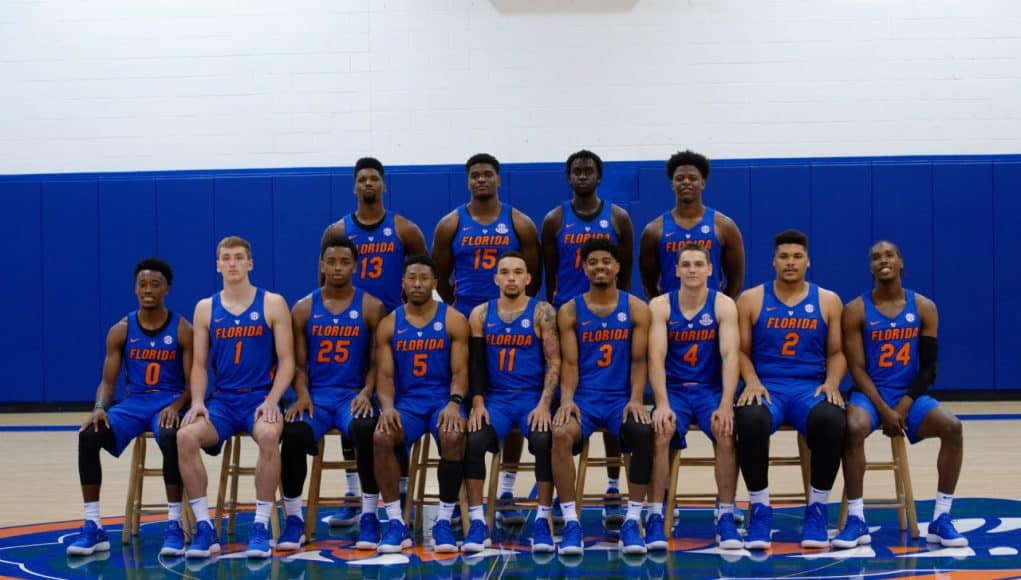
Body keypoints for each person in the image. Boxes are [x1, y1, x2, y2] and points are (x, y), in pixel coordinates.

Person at [834, 241, 966, 549]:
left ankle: (941, 519)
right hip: (870, 394)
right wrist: (884, 409)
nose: (883, 260)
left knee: (953, 427)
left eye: (889, 255)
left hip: (908, 395)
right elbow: (856, 369)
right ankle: (856, 519)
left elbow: (930, 368)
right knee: (852, 427)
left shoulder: (924, 307)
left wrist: (904, 405)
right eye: (876, 257)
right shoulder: (855, 310)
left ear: (901, 262)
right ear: (870, 266)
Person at [176, 236, 296, 559]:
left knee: (270, 437)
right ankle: (204, 528)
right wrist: (198, 401)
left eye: (238, 257)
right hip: (223, 402)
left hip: (259, 399)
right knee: (185, 437)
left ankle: (259, 526)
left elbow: (287, 362)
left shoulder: (272, 303)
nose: (232, 263)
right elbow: (199, 365)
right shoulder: (205, 308)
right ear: (217, 265)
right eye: (226, 258)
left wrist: (272, 400)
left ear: (250, 263)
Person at [321, 157, 428, 511]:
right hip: (352, 325)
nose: (368, 184)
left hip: (395, 328)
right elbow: (322, 285)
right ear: (354, 186)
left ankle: (400, 482)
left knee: (394, 404)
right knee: (352, 400)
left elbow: (422, 274)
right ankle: (354, 488)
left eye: (374, 179)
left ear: (384, 185)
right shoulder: (337, 231)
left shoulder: (405, 229)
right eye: (362, 179)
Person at [67, 259, 193, 557]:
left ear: (167, 289)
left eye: (155, 284)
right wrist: (100, 407)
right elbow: (107, 382)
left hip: (168, 402)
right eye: (142, 284)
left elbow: (193, 383)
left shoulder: (182, 328)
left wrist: (177, 406)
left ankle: (174, 524)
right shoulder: (121, 330)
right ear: (135, 288)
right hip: (135, 403)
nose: (148, 290)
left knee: (169, 435)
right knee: (88, 436)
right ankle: (93, 526)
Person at [734, 229, 847, 549]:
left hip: (808, 389)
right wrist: (752, 381)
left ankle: (817, 509)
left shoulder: (828, 300)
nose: (790, 262)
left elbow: (837, 353)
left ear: (808, 261)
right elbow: (740, 351)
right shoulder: (751, 299)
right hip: (767, 387)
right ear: (773, 261)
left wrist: (832, 383)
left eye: (797, 256)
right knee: (750, 420)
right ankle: (760, 508)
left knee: (831, 420)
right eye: (784, 256)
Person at [277, 236, 388, 551]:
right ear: (322, 265)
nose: (337, 268)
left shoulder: (370, 306)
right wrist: (301, 394)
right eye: (332, 262)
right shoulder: (302, 308)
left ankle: (368, 515)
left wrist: (368, 392)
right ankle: (295, 520)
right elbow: (298, 364)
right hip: (317, 397)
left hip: (353, 395)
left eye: (344, 262)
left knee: (366, 430)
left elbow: (377, 361)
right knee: (294, 433)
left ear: (355, 265)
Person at [541, 149, 633, 520]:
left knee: (614, 391)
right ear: (568, 177)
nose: (582, 176)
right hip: (569, 316)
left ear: (599, 176)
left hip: (610, 316)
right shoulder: (553, 220)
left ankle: (613, 483)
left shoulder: (619, 217)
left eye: (589, 170)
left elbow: (624, 275)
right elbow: (549, 273)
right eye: (576, 171)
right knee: (569, 392)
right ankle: (557, 482)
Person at [550, 239, 655, 555]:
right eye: (593, 262)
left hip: (620, 398)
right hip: (585, 398)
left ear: (618, 267)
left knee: (643, 432)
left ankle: (632, 521)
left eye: (606, 261)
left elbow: (639, 362)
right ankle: (571, 522)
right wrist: (567, 399)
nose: (600, 267)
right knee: (559, 434)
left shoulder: (636, 308)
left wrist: (637, 399)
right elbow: (569, 363)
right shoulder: (570, 310)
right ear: (584, 267)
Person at [463, 251, 560, 553]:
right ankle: (478, 521)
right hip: (497, 400)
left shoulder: (542, 311)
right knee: (474, 439)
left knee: (545, 440)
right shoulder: (480, 314)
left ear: (528, 278)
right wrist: (478, 403)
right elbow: (476, 365)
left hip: (532, 398)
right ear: (495, 278)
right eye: (504, 272)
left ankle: (543, 519)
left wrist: (545, 405)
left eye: (518, 272)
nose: (511, 278)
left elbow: (554, 361)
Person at [647, 243, 742, 549]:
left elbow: (730, 357)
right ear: (675, 270)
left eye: (698, 264)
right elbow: (656, 358)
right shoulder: (661, 306)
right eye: (685, 264)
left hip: (709, 390)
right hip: (674, 390)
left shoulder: (724, 305)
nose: (691, 270)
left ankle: (725, 514)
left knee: (725, 430)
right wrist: (661, 404)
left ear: (710, 270)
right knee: (660, 431)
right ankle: (655, 515)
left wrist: (727, 404)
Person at [373, 255, 470, 553]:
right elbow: (385, 377)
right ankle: (395, 523)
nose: (417, 283)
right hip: (409, 404)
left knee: (453, 434)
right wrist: (387, 407)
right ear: (402, 283)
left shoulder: (453, 319)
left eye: (424, 278)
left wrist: (454, 404)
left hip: (443, 401)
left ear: (435, 283)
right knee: (381, 436)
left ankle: (443, 521)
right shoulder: (389, 324)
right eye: (411, 278)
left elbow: (460, 372)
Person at [433, 153, 542, 318]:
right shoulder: (449, 224)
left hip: (508, 309)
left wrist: (517, 304)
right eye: (474, 176)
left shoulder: (520, 223)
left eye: (488, 175)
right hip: (465, 310)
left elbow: (533, 276)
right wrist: (455, 304)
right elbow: (439, 277)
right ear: (468, 183)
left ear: (498, 180)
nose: (481, 180)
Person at [638, 150, 745, 299]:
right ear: (672, 184)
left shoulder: (724, 226)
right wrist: (663, 307)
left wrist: (719, 306)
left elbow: (736, 281)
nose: (686, 182)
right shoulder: (654, 230)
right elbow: (648, 283)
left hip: (713, 315)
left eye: (693, 178)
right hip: (669, 315)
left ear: (703, 183)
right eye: (680, 178)